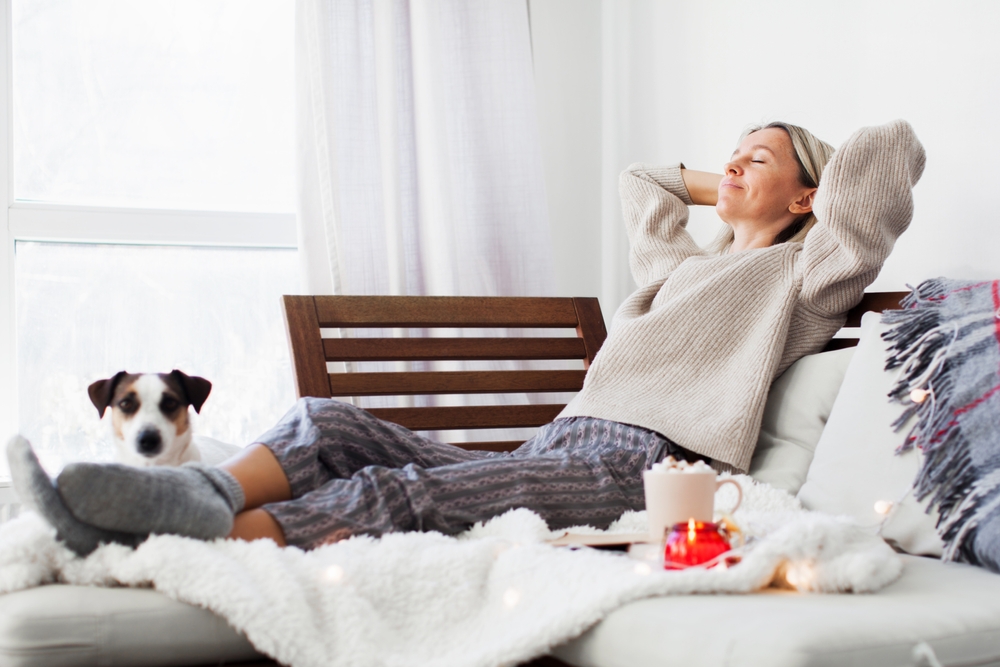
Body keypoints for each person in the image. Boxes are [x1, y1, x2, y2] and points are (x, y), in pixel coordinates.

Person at [7, 119, 926, 556]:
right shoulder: (682, 271)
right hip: (562, 444)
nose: (729, 162)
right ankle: (189, 497)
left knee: (393, 493)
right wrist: (728, 176)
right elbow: (641, 184)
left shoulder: (800, 280)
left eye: (755, 158)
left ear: (809, 196)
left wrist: (808, 170)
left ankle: (165, 543)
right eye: (730, 150)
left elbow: (885, 167)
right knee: (329, 423)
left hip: (641, 470)